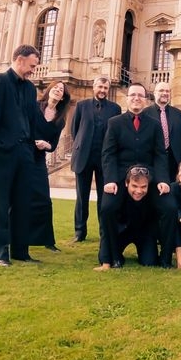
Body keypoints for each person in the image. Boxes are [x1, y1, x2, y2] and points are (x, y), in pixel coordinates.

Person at [98, 83, 174, 270]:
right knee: (107, 207)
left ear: (146, 99)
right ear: (127, 98)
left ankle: (166, 258)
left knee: (170, 207)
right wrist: (109, 181)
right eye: (133, 95)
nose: (136, 98)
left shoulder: (155, 125)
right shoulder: (114, 123)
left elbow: (160, 155)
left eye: (140, 95)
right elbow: (108, 154)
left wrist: (163, 180)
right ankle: (112, 257)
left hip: (149, 178)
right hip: (122, 179)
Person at [0, 44, 41, 267]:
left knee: (22, 202)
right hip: (3, 154)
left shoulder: (30, 89)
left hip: (25, 153)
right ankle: (1, 251)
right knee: (1, 203)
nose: (33, 70)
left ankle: (20, 251)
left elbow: (32, 120)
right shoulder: (0, 81)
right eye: (31, 65)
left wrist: (34, 145)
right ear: (19, 59)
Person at [70, 76, 121, 242]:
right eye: (100, 87)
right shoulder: (81, 106)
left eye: (105, 88)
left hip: (104, 160)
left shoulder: (115, 109)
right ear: (94, 87)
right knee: (81, 197)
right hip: (83, 157)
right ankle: (79, 232)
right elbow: (75, 130)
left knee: (104, 198)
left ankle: (104, 231)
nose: (102, 91)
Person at [29, 81, 71, 252]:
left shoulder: (60, 120)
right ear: (49, 90)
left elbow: (53, 145)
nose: (57, 91)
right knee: (17, 197)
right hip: (25, 154)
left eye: (61, 90)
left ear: (62, 97)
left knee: (44, 200)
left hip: (39, 158)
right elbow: (24, 127)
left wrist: (46, 145)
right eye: (55, 88)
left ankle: (47, 240)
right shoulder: (34, 106)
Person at [94, 166, 160, 271]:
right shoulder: (115, 198)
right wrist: (106, 261)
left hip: (143, 233)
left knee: (150, 262)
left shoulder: (153, 196)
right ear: (126, 183)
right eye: (134, 186)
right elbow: (106, 226)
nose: (139, 191)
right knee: (108, 259)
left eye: (143, 187)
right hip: (121, 233)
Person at [143, 81, 181, 182]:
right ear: (154, 93)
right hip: (152, 162)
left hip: (175, 162)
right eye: (161, 90)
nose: (165, 93)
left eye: (167, 91)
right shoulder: (144, 114)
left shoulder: (179, 114)